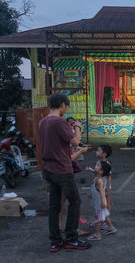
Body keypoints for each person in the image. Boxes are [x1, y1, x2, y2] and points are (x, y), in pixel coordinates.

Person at [39, 93, 91, 252]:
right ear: (62, 105)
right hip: (62, 169)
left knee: (54, 205)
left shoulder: (43, 122)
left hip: (48, 168)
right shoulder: (58, 122)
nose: (66, 110)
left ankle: (55, 241)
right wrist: (77, 128)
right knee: (75, 202)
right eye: (66, 107)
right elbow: (75, 141)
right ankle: (71, 238)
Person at [87, 161, 117, 241]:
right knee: (105, 215)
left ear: (101, 171)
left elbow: (102, 192)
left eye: (97, 165)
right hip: (99, 203)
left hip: (100, 204)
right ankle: (110, 227)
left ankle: (97, 234)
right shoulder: (96, 178)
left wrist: (103, 202)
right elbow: (95, 190)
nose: (95, 166)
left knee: (98, 219)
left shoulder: (99, 180)